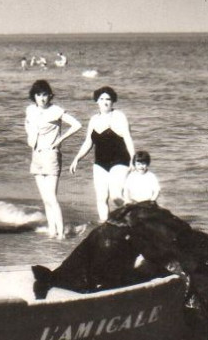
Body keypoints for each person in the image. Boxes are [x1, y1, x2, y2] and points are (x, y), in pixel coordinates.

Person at [69, 86, 136, 221]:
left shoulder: (119, 116)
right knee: (101, 198)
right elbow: (88, 142)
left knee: (115, 195)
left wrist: (133, 159)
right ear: (97, 101)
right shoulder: (94, 119)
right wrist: (77, 158)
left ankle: (132, 216)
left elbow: (128, 138)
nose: (105, 102)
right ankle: (105, 225)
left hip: (120, 161)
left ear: (113, 101)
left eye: (108, 99)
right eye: (102, 99)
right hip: (100, 163)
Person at [24, 79, 80, 239]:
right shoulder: (30, 110)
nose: (42, 98)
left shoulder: (55, 110)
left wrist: (60, 140)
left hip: (51, 155)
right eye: (38, 95)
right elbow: (27, 124)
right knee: (45, 199)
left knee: (51, 197)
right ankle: (52, 231)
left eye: (45, 95)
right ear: (33, 96)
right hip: (36, 155)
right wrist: (31, 138)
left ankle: (61, 233)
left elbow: (77, 125)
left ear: (50, 95)